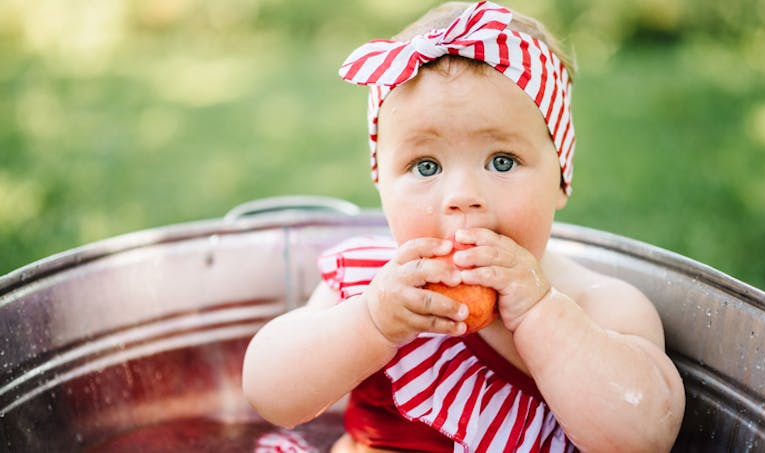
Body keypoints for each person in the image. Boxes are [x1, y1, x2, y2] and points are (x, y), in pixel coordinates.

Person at [242, 2, 685, 452]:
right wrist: (371, 323)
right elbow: (269, 394)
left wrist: (540, 314)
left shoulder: (598, 305)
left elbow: (644, 438)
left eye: (502, 161)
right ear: (381, 183)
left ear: (561, 179)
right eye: (426, 165)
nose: (461, 195)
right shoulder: (368, 285)